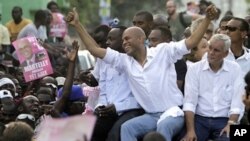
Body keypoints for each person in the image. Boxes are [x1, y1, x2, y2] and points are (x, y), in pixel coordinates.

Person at [64, 5, 218, 141]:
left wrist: (206, 20)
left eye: (127, 39)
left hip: (172, 111)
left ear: (140, 39)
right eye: (123, 40)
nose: (124, 43)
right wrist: (77, 25)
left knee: (163, 128)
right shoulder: (125, 61)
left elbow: (191, 42)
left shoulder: (163, 52)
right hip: (150, 115)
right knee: (127, 128)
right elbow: (95, 50)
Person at [81, 26, 143, 141]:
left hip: (129, 110)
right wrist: (101, 107)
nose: (107, 42)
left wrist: (117, 107)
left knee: (114, 136)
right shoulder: (104, 61)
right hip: (109, 110)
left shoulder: (136, 61)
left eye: (111, 39)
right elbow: (103, 90)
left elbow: (141, 98)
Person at [182, 34, 244, 141]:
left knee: (236, 136)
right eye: (210, 48)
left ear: (225, 54)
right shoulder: (194, 69)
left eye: (216, 50)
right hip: (199, 119)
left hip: (225, 119)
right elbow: (189, 103)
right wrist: (190, 130)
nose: (211, 53)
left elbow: (237, 102)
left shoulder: (235, 69)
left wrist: (231, 124)